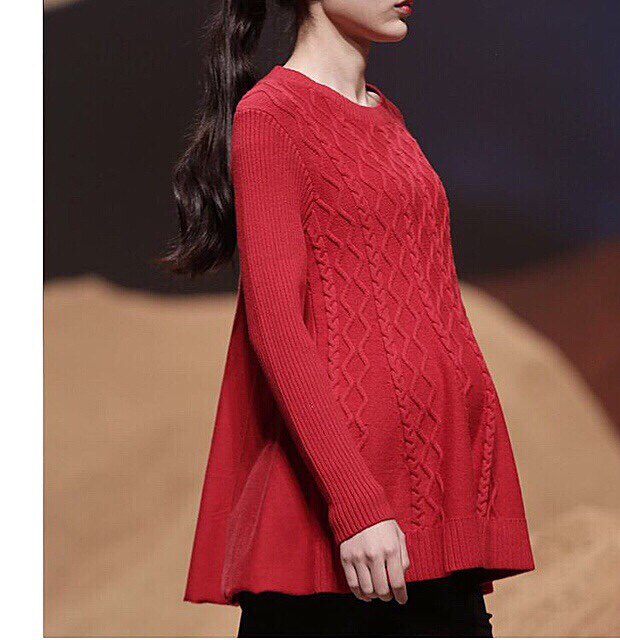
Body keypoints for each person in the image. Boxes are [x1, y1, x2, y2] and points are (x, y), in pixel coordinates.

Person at [162, 0, 535, 636]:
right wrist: (358, 505)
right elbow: (278, 328)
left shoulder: (388, 118)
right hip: (346, 535)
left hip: (433, 504)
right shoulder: (271, 117)